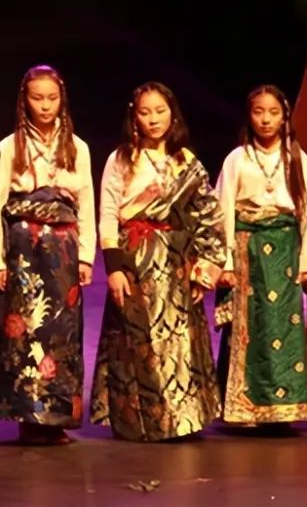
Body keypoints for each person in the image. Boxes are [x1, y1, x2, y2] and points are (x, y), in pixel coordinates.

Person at [90, 82, 227, 441]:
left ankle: (181, 421)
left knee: (179, 345)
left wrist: (204, 269)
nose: (153, 119)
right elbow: (108, 214)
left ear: (172, 114)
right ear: (134, 117)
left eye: (160, 111)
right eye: (145, 112)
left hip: (176, 263)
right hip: (134, 262)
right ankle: (142, 422)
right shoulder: (122, 159)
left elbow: (208, 217)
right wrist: (113, 268)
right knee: (137, 344)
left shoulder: (186, 162)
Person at [0, 65, 94, 445]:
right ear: (24, 101)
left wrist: (87, 256)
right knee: (24, 331)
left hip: (63, 252)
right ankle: (27, 415)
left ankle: (57, 418)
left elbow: (87, 204)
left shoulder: (77, 147)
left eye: (52, 98)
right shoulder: (8, 147)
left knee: (62, 333)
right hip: (23, 252)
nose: (45, 106)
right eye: (37, 98)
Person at [214, 85, 307, 426]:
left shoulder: (297, 158)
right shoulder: (237, 158)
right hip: (247, 250)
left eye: (273, 112)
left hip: (284, 253)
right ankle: (243, 407)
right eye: (259, 111)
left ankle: (282, 407)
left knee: (283, 326)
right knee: (247, 328)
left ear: (284, 117)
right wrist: (225, 262)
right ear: (249, 116)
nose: (265, 119)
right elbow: (223, 210)